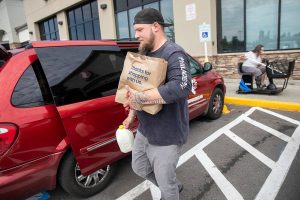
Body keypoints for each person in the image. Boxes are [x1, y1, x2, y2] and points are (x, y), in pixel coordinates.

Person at [122, 8, 192, 200]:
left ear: (155, 27)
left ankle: (169, 188)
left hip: (168, 134)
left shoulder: (174, 53)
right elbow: (138, 87)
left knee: (166, 186)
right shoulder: (144, 53)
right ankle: (171, 185)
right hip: (145, 129)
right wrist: (130, 116)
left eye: (140, 30)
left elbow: (181, 86)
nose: (136, 35)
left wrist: (140, 98)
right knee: (139, 167)